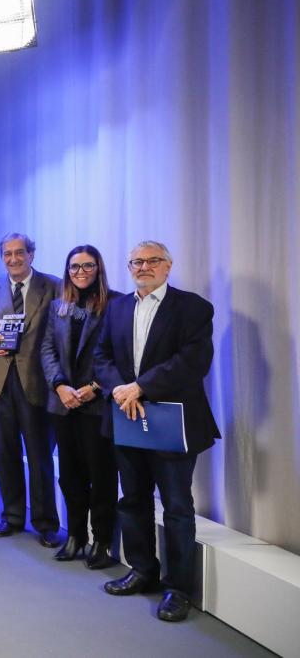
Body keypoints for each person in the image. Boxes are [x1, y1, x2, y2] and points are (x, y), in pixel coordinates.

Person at [95, 241, 218, 623]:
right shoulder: (116, 307)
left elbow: (194, 361)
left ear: (168, 266)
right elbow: (100, 357)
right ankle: (143, 569)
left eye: (152, 261)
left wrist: (141, 387)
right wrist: (119, 387)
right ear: (129, 267)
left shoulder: (193, 307)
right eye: (137, 261)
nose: (143, 267)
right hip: (126, 418)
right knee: (132, 499)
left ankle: (177, 588)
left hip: (172, 422)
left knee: (177, 508)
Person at [0, 233, 62, 547]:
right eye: (7, 254)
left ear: (31, 254)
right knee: (5, 453)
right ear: (2, 257)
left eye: (19, 253)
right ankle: (11, 516)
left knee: (39, 456)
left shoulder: (53, 286)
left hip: (37, 381)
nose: (13, 259)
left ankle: (46, 522)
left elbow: (61, 330)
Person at [39, 245, 120, 568]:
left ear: (98, 268)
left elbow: (120, 352)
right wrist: (60, 385)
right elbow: (47, 349)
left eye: (87, 266)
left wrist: (94, 388)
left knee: (101, 475)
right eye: (74, 267)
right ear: (67, 271)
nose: (80, 272)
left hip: (96, 403)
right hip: (63, 403)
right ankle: (75, 536)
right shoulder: (58, 305)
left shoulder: (117, 304)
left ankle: (101, 540)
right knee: (69, 476)